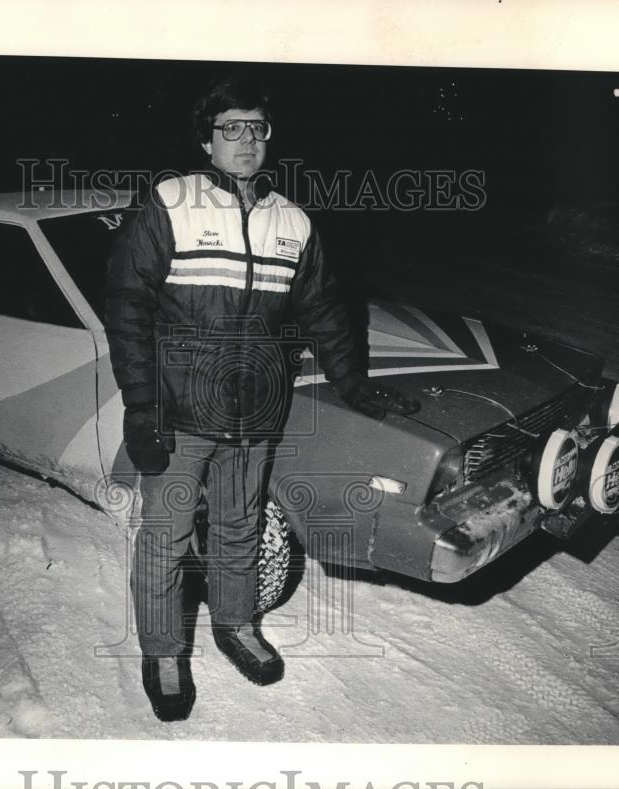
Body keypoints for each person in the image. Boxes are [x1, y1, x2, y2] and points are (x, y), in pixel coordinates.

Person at [105, 75, 418, 722]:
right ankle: (164, 651)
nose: (245, 141)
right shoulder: (170, 204)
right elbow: (128, 306)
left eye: (256, 128)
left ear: (269, 137)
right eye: (231, 129)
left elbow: (326, 312)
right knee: (165, 536)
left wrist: (354, 384)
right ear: (206, 140)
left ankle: (236, 623)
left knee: (240, 524)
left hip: (254, 408)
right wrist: (141, 404)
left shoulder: (293, 222)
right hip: (179, 409)